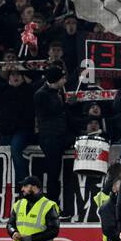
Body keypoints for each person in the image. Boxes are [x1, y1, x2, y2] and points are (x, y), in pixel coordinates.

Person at [33, 66, 73, 209]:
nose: (65, 80)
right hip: (50, 138)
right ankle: (52, 206)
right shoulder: (41, 94)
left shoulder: (59, 91)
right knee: (53, 172)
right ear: (57, 79)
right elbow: (49, 113)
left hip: (61, 136)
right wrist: (66, 104)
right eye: (63, 78)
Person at [7, 175, 60, 241]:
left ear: (34, 187)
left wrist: (32, 238)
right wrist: (13, 232)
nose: (22, 189)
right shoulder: (18, 204)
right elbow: (10, 224)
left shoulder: (49, 205)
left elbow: (54, 231)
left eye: (25, 186)